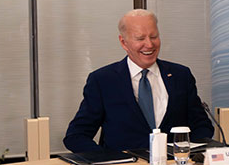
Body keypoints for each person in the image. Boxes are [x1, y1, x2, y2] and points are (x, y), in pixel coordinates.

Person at [64, 9, 214, 153]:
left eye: (154, 36)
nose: (149, 44)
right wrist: (110, 160)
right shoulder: (103, 80)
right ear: (123, 42)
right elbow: (76, 136)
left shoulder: (181, 75)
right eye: (140, 38)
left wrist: (187, 153)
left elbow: (202, 126)